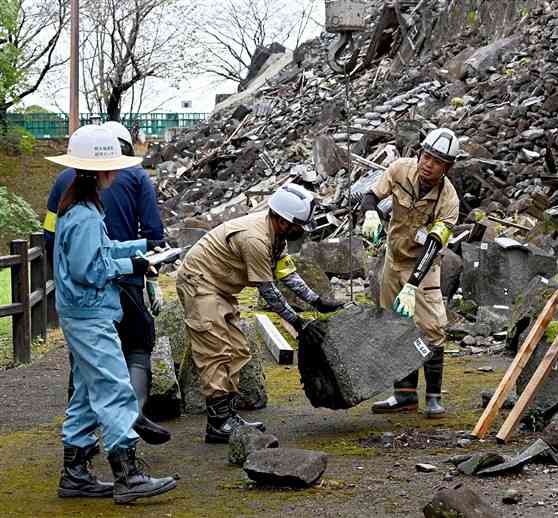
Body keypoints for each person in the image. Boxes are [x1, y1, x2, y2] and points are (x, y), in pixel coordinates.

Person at [47, 125, 177, 504]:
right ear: (100, 171)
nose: (118, 174)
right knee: (114, 388)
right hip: (90, 315)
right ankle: (128, 475)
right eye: (114, 168)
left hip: (79, 312)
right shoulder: (86, 215)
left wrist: (138, 251)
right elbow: (91, 270)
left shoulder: (79, 208)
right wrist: (135, 267)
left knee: (88, 394)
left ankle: (75, 474)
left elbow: (97, 253)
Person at [176, 183, 343, 444]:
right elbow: (268, 291)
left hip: (221, 287)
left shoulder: (277, 236)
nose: (302, 231)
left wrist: (316, 301)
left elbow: (285, 272)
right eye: (299, 226)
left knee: (238, 349)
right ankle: (218, 423)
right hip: (200, 282)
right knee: (215, 350)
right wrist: (298, 322)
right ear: (285, 221)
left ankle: (229, 415)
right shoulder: (255, 239)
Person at [360, 128, 460, 418]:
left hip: (425, 265)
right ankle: (403, 394)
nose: (428, 164)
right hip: (393, 261)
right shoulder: (399, 170)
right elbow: (371, 195)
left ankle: (433, 396)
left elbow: (433, 244)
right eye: (426, 156)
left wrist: (413, 285)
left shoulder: (448, 200)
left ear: (446, 168)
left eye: (437, 161)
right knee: (394, 325)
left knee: (432, 327)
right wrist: (370, 213)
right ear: (419, 154)